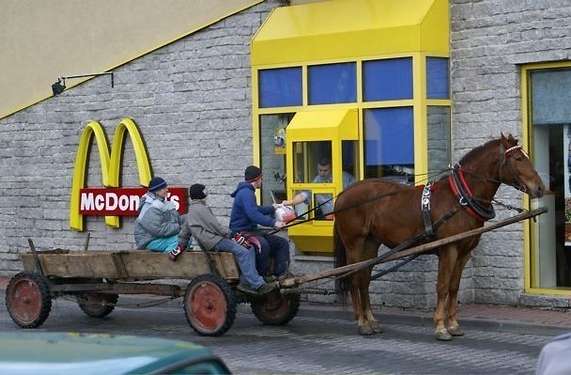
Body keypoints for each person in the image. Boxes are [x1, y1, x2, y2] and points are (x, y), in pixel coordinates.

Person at [175, 183, 276, 295]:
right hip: (214, 241)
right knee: (246, 250)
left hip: (211, 241)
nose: (207, 195)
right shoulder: (201, 209)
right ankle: (255, 283)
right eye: (205, 192)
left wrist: (179, 247)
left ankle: (247, 279)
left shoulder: (191, 211)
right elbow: (216, 227)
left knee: (245, 248)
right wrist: (233, 235)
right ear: (202, 194)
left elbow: (185, 233)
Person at [230, 165, 290, 280]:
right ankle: (260, 279)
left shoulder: (247, 192)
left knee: (282, 243)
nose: (262, 181)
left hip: (252, 231)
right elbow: (253, 214)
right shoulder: (246, 193)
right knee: (262, 246)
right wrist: (274, 223)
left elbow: (256, 209)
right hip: (240, 232)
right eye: (261, 178)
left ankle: (279, 276)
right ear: (257, 179)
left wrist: (273, 208)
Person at [283, 158, 355, 217]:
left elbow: (355, 193)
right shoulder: (317, 180)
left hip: (345, 216)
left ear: (332, 169)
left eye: (325, 170)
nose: (322, 173)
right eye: (320, 170)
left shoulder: (345, 178)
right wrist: (291, 202)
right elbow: (304, 195)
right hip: (327, 219)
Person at [134, 177, 183, 252]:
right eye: (164, 188)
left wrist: (184, 224)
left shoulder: (166, 203)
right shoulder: (151, 206)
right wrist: (179, 227)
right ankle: (165, 262)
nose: (167, 190)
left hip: (159, 238)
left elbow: (177, 220)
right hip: (149, 241)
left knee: (186, 239)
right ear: (156, 191)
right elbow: (158, 230)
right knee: (180, 240)